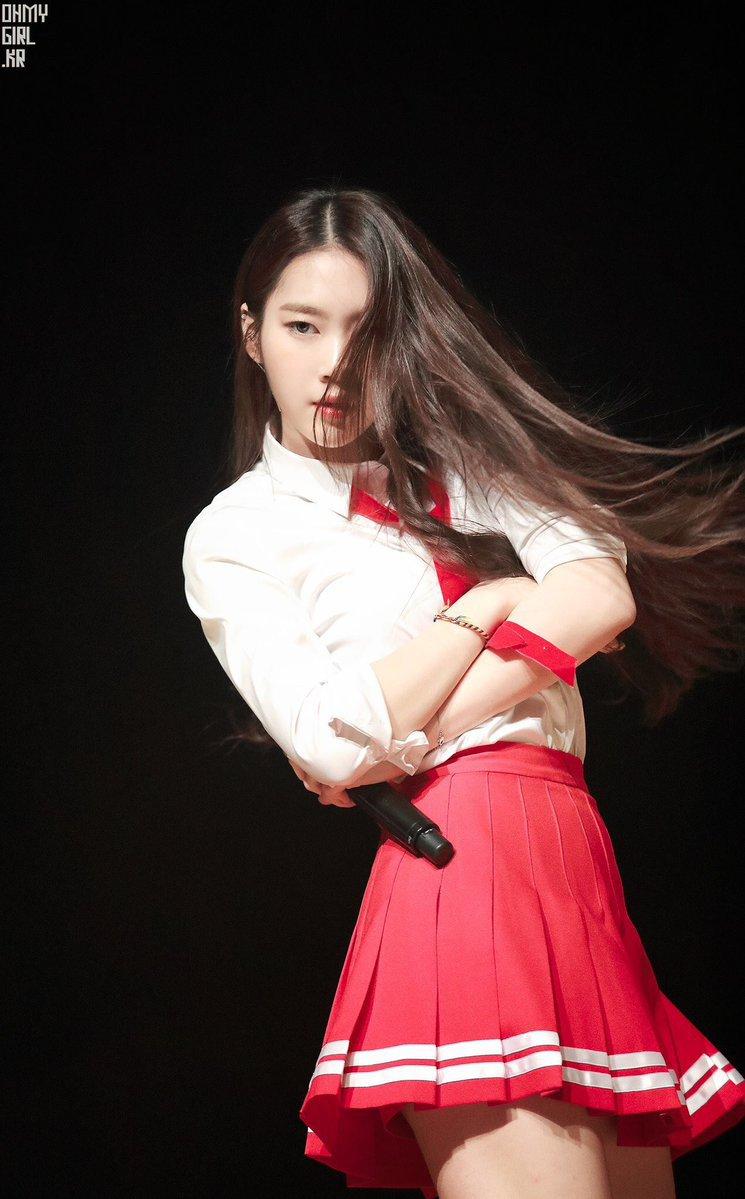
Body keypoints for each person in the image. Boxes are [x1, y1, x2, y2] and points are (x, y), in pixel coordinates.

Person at [182, 187, 745, 1199]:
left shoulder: (472, 466)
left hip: (570, 856)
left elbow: (599, 595)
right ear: (252, 334)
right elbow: (327, 743)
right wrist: (486, 604)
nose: (335, 362)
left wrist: (400, 734)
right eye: (303, 326)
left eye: (366, 331)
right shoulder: (239, 531)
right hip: (462, 861)